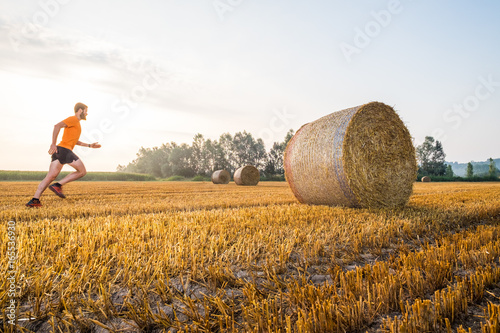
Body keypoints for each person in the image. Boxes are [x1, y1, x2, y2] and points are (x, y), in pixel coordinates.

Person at [26, 103, 101, 207]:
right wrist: (53, 144)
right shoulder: (73, 119)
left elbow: (75, 141)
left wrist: (89, 145)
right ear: (80, 110)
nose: (87, 113)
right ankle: (58, 185)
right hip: (64, 150)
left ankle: (35, 200)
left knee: (50, 176)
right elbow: (57, 126)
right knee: (82, 171)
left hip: (59, 151)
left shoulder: (77, 124)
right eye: (86, 111)